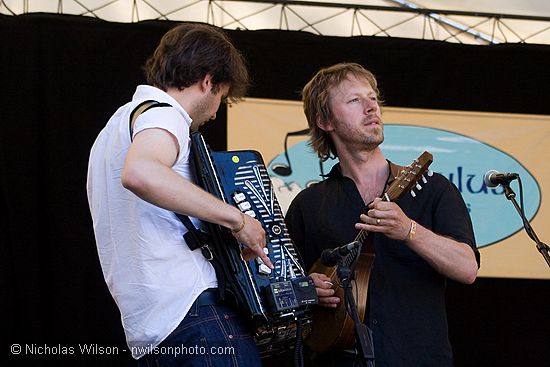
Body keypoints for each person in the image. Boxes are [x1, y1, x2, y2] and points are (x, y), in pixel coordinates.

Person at [86, 23, 272, 367]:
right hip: (193, 313)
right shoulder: (165, 114)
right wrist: (238, 220)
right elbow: (141, 173)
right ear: (207, 80)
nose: (216, 112)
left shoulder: (112, 130)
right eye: (221, 96)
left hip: (150, 329)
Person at [285, 62, 480, 366]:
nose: (371, 107)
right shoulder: (308, 205)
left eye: (373, 98)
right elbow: (284, 287)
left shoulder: (433, 189)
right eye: (354, 100)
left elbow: (467, 268)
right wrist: (308, 288)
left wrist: (409, 231)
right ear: (325, 120)